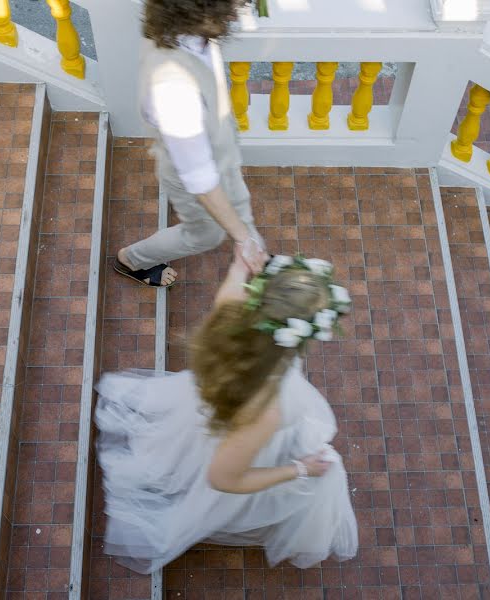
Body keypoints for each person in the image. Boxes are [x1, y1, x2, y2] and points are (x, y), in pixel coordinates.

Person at [95, 254, 358, 573]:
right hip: (237, 440)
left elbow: (238, 270)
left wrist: (243, 262)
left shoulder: (233, 303)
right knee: (327, 477)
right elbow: (223, 479)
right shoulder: (265, 410)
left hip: (209, 410)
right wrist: (300, 470)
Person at [114, 0, 269, 288]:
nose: (242, 7)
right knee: (205, 235)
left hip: (213, 155)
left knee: (234, 200)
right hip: (192, 175)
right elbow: (201, 180)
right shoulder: (174, 87)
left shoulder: (185, 31)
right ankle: (132, 259)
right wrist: (243, 238)